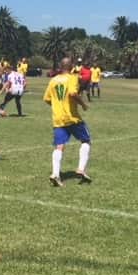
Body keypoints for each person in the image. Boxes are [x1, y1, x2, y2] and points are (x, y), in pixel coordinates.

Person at [43, 57, 92, 187]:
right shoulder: (72, 78)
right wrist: (83, 104)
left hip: (58, 118)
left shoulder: (53, 80)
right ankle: (81, 169)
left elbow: (47, 99)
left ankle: (55, 174)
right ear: (71, 67)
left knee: (59, 146)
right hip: (72, 117)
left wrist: (57, 106)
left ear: (60, 66)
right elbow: (72, 93)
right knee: (86, 141)